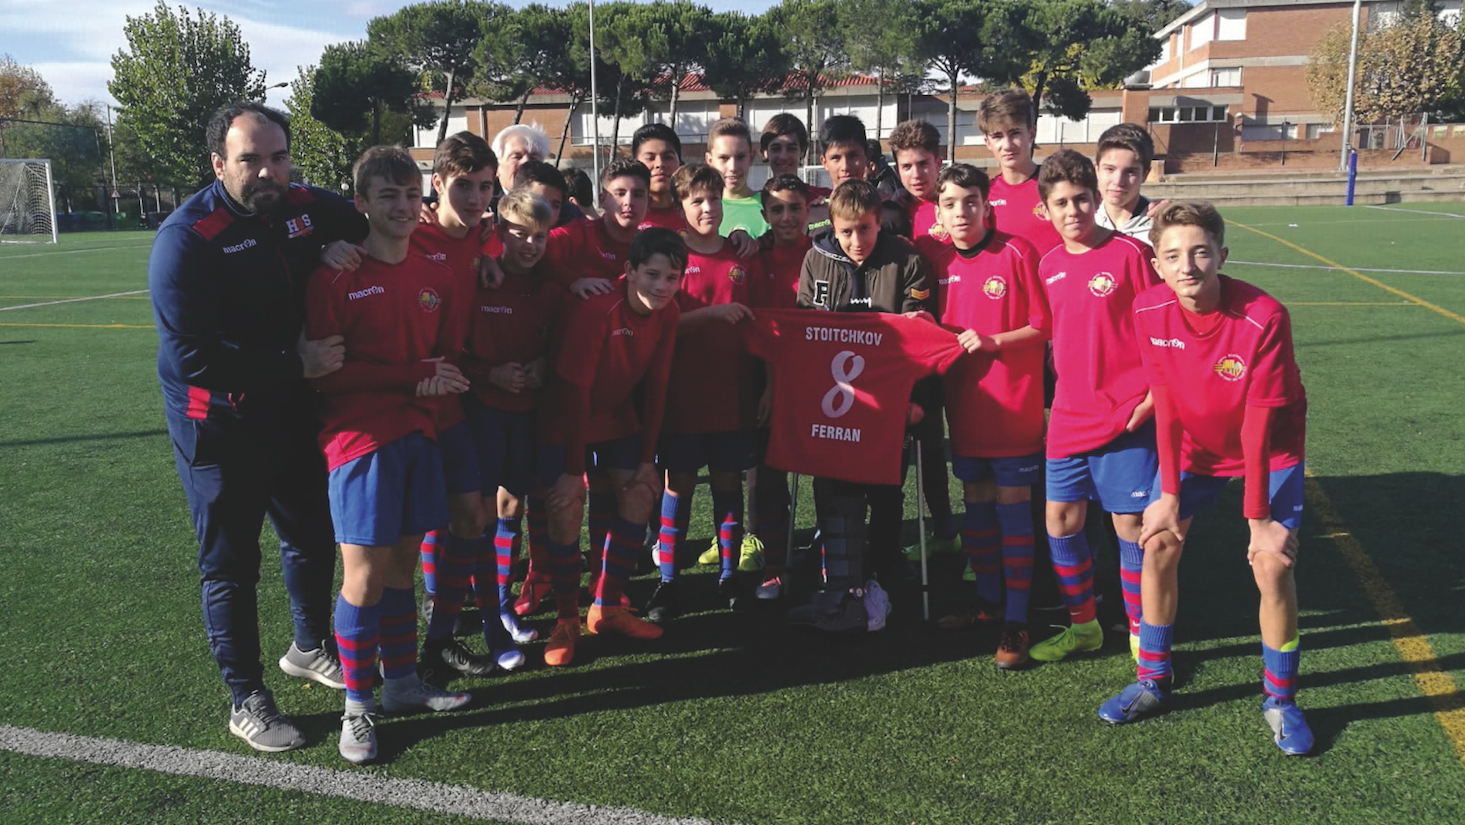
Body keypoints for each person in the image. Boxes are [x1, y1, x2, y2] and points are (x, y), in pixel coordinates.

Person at [149, 101, 364, 753]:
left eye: (278, 156)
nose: (268, 171)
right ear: (219, 164)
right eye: (250, 160)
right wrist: (293, 363)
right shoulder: (187, 238)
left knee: (311, 532)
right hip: (217, 418)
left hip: (290, 405)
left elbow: (376, 220)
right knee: (231, 562)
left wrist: (340, 246)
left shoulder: (305, 204)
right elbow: (190, 358)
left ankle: (309, 646)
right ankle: (246, 697)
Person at [1106, 200, 1313, 756]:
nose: (1187, 266)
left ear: (1222, 255)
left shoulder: (1265, 316)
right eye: (1173, 255)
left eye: (1200, 252)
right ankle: (1153, 679)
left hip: (1269, 449)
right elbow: (1166, 401)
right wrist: (1169, 494)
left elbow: (1258, 425)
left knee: (1271, 564)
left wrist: (1258, 520)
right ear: (1156, 264)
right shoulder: (1148, 309)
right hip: (1195, 447)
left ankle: (1281, 699)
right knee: (1157, 543)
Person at [304, 146, 474, 764]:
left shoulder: (437, 275)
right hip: (359, 441)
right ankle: (356, 707)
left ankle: (400, 683)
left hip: (418, 432)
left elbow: (444, 355)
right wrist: (414, 376)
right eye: (387, 196)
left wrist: (436, 378)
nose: (403, 207)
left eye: (410, 195)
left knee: (403, 564)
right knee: (365, 575)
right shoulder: (335, 277)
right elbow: (326, 377)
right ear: (361, 204)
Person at [786, 179, 943, 631]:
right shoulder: (817, 257)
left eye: (866, 229)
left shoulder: (906, 260)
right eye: (847, 231)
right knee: (833, 487)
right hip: (834, 401)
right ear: (833, 226)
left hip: (890, 401)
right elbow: (807, 332)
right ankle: (841, 582)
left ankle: (882, 571)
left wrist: (914, 400)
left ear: (879, 223)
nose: (857, 240)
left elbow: (920, 338)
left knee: (886, 489)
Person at [1026, 150, 1161, 664]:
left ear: (1095, 198)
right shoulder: (1048, 265)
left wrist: (1154, 397)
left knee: (1130, 527)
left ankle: (1138, 631)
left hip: (1127, 413)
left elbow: (1163, 328)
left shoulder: (1131, 255)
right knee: (1060, 522)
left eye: (1081, 199)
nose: (1072, 211)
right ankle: (1084, 626)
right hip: (1069, 414)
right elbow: (1052, 336)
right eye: (1060, 203)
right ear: (1046, 209)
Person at [408, 131, 526, 687]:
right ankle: (387, 658)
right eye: (463, 186)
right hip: (404, 402)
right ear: (436, 184)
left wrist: (493, 253)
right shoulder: (410, 236)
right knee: (399, 538)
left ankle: (438, 643)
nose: (477, 198)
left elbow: (497, 239)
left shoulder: (483, 238)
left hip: (454, 399)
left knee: (471, 517)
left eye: (484, 186)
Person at [916, 164, 1045, 668]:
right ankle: (989, 602)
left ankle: (1017, 618)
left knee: (1013, 510)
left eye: (971, 201)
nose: (962, 212)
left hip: (1013, 405)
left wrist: (995, 342)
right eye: (950, 203)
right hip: (965, 407)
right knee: (976, 504)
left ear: (987, 205)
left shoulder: (1017, 252)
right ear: (938, 211)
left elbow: (1043, 326)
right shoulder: (936, 258)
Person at [538, 228, 686, 666]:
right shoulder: (598, 309)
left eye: (672, 277)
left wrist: (646, 461)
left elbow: (658, 385)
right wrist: (572, 470)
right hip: (563, 419)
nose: (662, 286)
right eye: (653, 275)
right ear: (630, 271)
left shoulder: (669, 311)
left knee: (642, 491)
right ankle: (566, 619)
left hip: (616, 417)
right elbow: (575, 392)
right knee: (566, 506)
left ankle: (606, 606)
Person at [645, 164, 762, 622]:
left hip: (733, 393)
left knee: (728, 483)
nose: (708, 208)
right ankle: (669, 581)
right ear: (681, 207)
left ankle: (729, 577)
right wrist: (711, 316)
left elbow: (763, 322)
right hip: (683, 396)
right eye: (696, 201)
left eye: (714, 199)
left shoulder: (742, 254)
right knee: (679, 484)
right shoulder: (670, 259)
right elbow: (658, 325)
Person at [460, 189, 564, 656]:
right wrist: (490, 374)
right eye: (520, 233)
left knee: (511, 506)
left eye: (539, 236)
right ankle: (485, 608)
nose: (530, 244)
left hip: (527, 413)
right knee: (478, 512)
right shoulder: (479, 279)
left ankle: (501, 604)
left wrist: (543, 365)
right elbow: (453, 350)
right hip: (481, 411)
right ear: (500, 231)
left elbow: (559, 342)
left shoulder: (550, 286)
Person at [887, 119, 960, 563]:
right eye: (906, 166)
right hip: (910, 348)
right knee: (911, 444)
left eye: (924, 164)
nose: (916, 174)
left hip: (960, 338)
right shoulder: (892, 210)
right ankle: (912, 533)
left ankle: (955, 529)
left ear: (939, 160)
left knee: (952, 447)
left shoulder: (960, 203)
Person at [745, 174, 814, 600]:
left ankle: (830, 561)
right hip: (767, 379)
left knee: (829, 475)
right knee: (769, 475)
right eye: (777, 209)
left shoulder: (825, 254)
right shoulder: (757, 258)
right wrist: (772, 384)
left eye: (794, 208)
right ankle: (774, 564)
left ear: (808, 210)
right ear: (764, 214)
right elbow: (762, 328)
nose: (786, 217)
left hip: (819, 381)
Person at [544, 158, 652, 299]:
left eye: (638, 195)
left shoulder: (653, 247)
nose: (629, 202)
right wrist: (572, 281)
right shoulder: (578, 234)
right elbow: (531, 249)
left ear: (648, 203)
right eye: (620, 194)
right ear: (602, 200)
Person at [978, 89, 1062, 256]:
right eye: (997, 136)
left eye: (1014, 133)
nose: (1007, 145)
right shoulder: (984, 196)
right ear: (987, 142)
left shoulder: (1058, 186)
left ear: (1031, 134)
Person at [491, 123, 585, 223]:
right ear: (497, 167)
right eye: (517, 157)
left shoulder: (565, 211)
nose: (526, 162)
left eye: (533, 158)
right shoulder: (484, 206)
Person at [706, 117, 768, 239]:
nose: (733, 167)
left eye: (740, 157)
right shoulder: (701, 210)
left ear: (751, 157)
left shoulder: (772, 206)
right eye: (724, 158)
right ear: (709, 160)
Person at [760, 113, 830, 200]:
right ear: (765, 152)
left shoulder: (824, 199)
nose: (783, 156)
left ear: (802, 151)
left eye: (791, 148)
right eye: (776, 149)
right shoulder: (755, 202)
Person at [632, 123, 687, 232]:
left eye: (668, 157)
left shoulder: (695, 215)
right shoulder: (623, 219)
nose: (660, 164)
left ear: (680, 163)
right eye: (650, 158)